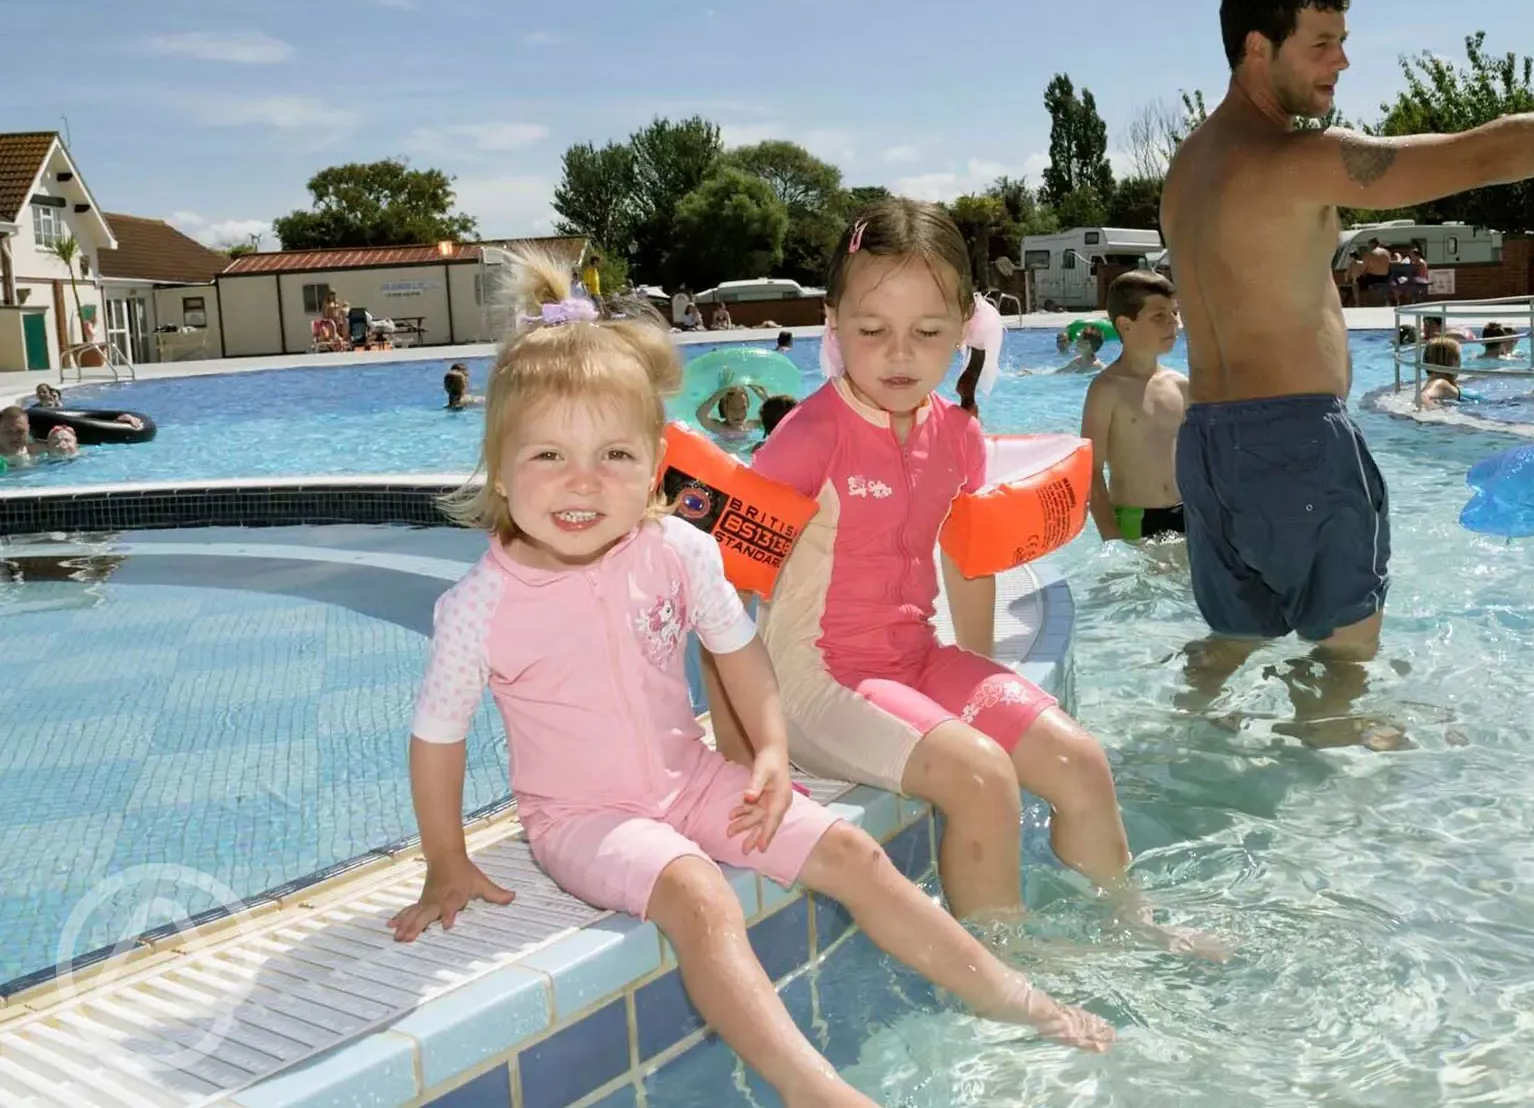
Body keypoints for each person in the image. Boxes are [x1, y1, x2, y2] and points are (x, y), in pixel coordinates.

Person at [388, 247, 1110, 1105]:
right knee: (700, 897)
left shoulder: (678, 551)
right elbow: (438, 737)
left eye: (616, 456)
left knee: (850, 852)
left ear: (656, 460)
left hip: (691, 780)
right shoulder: (483, 602)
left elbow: (738, 652)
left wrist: (768, 753)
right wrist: (446, 858)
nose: (584, 483)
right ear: (500, 467)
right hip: (585, 815)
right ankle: (815, 1090)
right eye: (548, 457)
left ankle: (1014, 996)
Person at [1158, 0, 1534, 733]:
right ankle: (1337, 811)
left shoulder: (1188, 168)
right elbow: (1484, 153)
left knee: (1231, 642)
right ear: (1258, 46)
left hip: (1208, 444)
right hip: (1291, 445)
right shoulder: (1293, 158)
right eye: (1322, 44)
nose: (1343, 61)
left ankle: (1180, 764)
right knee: (1342, 660)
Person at [724, 198, 1221, 954]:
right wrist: (741, 749)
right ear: (833, 324)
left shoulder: (956, 437)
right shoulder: (809, 437)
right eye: (871, 331)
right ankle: (1010, 960)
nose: (899, 355)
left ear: (963, 329)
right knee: (983, 778)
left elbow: (968, 562)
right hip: (818, 682)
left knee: (1079, 761)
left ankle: (1134, 922)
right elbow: (723, 585)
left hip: (915, 661)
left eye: (927, 333)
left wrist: (982, 687)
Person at [1082, 272, 1189, 541]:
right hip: (1134, 522)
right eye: (1159, 316)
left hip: (1187, 516)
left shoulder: (1180, 386)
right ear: (1126, 325)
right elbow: (1091, 471)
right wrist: (1111, 537)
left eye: (1175, 313)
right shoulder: (1107, 390)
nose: (1173, 323)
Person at [1416, 337, 1464, 406]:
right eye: (1459, 358)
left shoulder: (1434, 382)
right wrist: (1434, 410)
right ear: (1452, 361)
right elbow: (1423, 396)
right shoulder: (1440, 383)